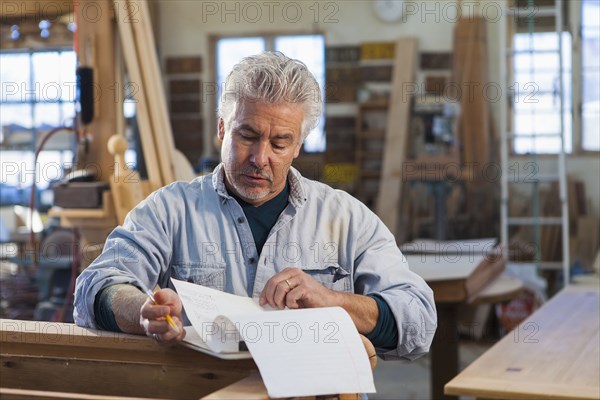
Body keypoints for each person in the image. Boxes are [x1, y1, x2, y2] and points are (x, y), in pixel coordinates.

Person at [74, 51, 436, 360]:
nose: (260, 158)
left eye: (280, 143)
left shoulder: (346, 219)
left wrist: (333, 302)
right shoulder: (169, 211)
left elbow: (418, 319)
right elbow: (96, 286)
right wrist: (142, 311)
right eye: (247, 135)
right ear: (221, 128)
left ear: (299, 146)